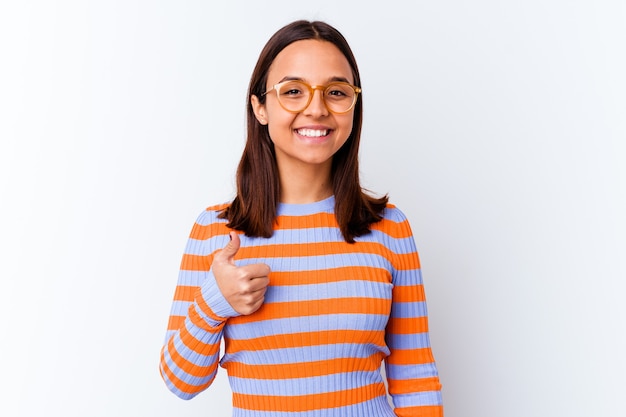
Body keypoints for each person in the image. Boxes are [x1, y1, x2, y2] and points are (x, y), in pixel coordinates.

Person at [159, 20, 443, 417]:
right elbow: (180, 381)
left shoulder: (390, 228)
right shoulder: (216, 232)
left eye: (336, 92)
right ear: (260, 107)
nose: (316, 108)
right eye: (293, 91)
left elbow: (415, 379)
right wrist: (214, 302)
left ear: (353, 105)